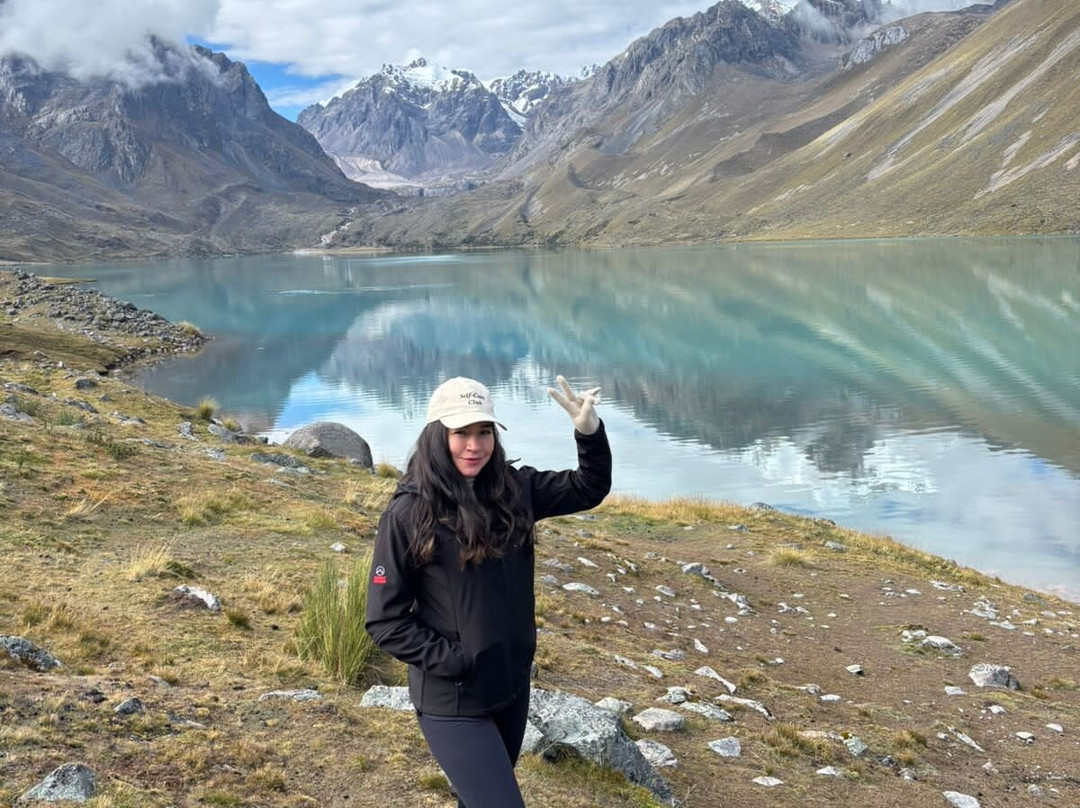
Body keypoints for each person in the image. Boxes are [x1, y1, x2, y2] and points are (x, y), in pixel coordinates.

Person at [365, 375, 612, 808]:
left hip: (511, 690)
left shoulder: (516, 491)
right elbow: (384, 621)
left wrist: (588, 433)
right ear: (437, 435)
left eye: (484, 432)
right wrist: (459, 661)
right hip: (453, 702)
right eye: (461, 433)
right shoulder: (408, 513)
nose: (474, 445)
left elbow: (588, 487)